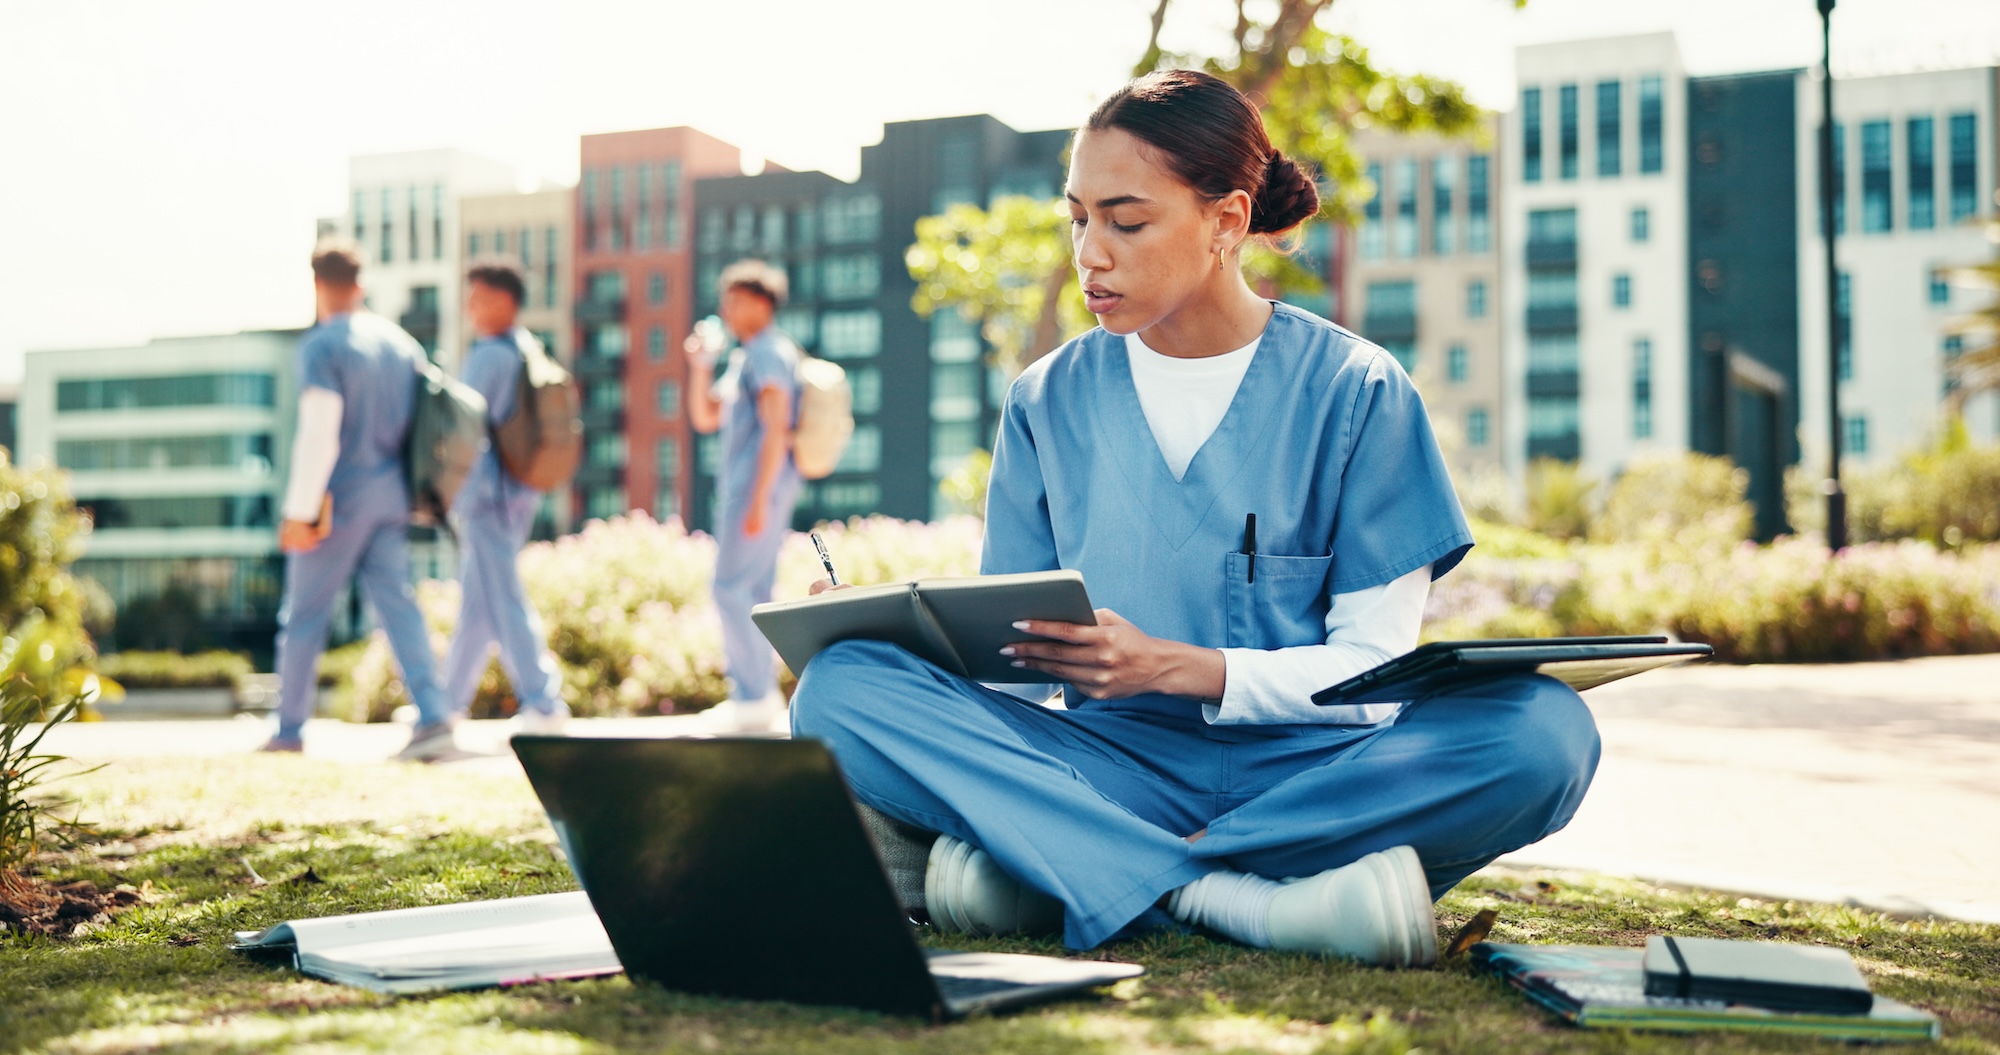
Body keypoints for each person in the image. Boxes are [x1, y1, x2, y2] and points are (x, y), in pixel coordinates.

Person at [789, 70, 1600, 965]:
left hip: (1317, 778)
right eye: (1079, 218)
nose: (1091, 252)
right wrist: (906, 637)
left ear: (1226, 221)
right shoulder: (1045, 399)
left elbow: (1376, 678)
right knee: (844, 688)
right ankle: (1244, 901)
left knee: (1542, 732)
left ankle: (1064, 873)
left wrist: (1186, 669)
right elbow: (1017, 679)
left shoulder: (1357, 391)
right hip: (1103, 771)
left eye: (1126, 221)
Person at [265, 239, 458, 761]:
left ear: (317, 285)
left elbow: (319, 434)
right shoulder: (400, 344)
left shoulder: (324, 346)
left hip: (338, 502)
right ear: (360, 282)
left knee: (305, 615)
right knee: (399, 607)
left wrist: (299, 513)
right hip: (393, 497)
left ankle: (288, 729)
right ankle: (434, 715)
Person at [440, 260, 571, 735]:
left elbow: (461, 426)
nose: (469, 308)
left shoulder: (490, 354)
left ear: (502, 300)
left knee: (504, 597)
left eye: (476, 297)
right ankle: (447, 703)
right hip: (518, 490)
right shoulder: (526, 348)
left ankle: (543, 702)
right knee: (479, 602)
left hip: (486, 495)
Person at [686, 260, 803, 733]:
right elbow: (705, 417)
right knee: (752, 592)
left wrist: (759, 499)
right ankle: (756, 697)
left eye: (733, 301)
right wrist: (700, 367)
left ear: (760, 303)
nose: (726, 311)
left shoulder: (769, 353)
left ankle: (753, 696)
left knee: (729, 588)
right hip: (750, 489)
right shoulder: (746, 356)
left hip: (757, 490)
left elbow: (778, 428)